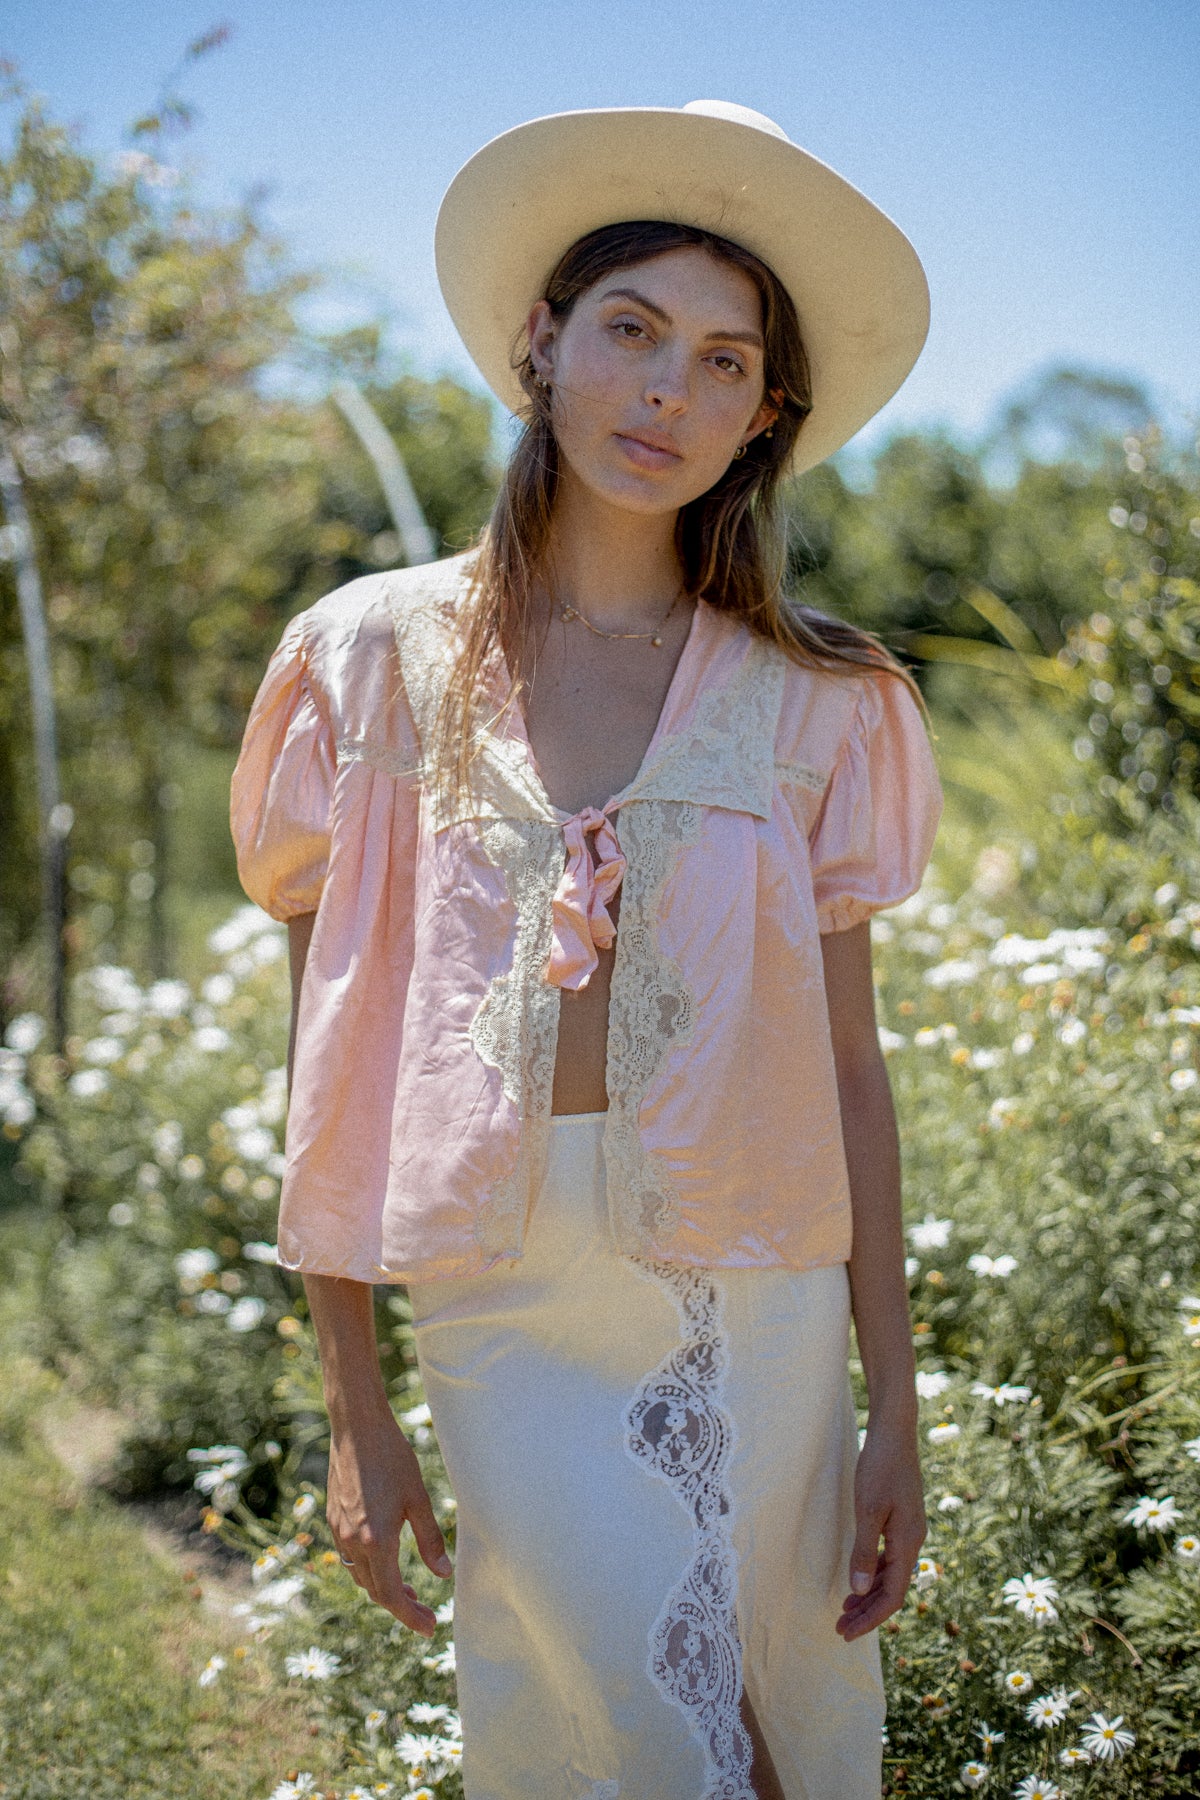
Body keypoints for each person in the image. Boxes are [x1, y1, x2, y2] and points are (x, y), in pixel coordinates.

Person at [231, 99, 943, 1800]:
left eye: (722, 362)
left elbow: (853, 1070)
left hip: (763, 1280)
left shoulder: (819, 701)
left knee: (779, 1717)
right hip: (504, 1284)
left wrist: (896, 1408)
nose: (666, 394)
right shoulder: (368, 663)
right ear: (541, 341)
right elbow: (329, 1064)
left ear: (765, 414)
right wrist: (355, 1407)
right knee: (623, 1730)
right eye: (631, 332)